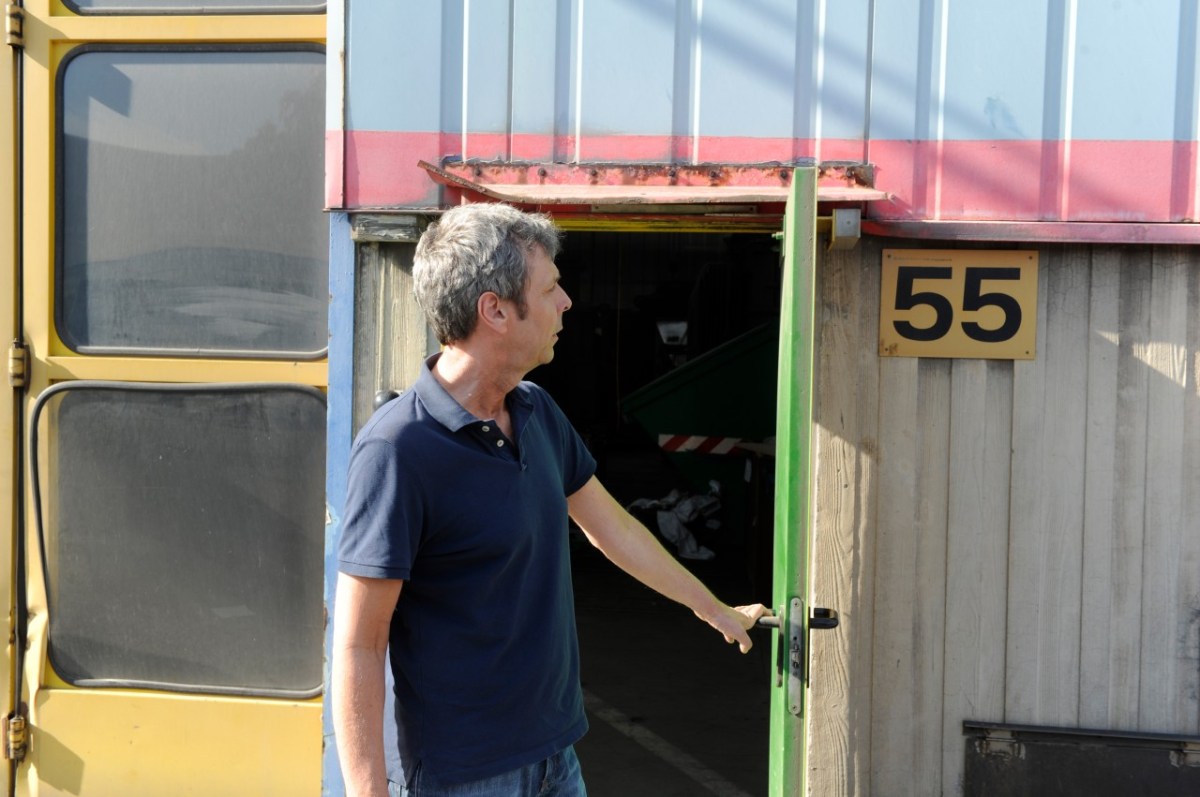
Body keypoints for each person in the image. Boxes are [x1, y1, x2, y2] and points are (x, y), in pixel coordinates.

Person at [331, 203, 769, 797]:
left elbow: (612, 528)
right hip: (465, 777)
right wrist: (365, 791)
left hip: (556, 758)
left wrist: (714, 609)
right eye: (551, 288)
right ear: (496, 310)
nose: (566, 303)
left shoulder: (536, 410)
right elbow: (360, 642)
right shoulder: (397, 450)